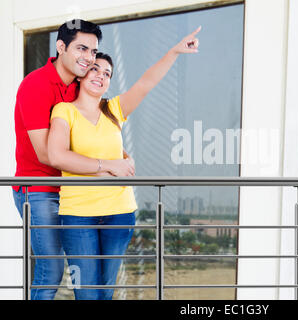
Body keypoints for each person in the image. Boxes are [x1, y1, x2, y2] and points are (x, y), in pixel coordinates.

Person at [47, 27, 201, 300]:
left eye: (107, 74)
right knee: (86, 293)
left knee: (106, 291)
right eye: (95, 69)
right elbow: (58, 156)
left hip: (119, 214)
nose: (101, 76)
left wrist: (174, 51)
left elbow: (145, 84)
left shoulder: (114, 110)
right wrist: (110, 165)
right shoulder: (64, 111)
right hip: (77, 216)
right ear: (82, 75)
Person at [13, 19, 134, 300]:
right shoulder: (36, 85)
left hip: (73, 193)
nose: (88, 57)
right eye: (82, 48)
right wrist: (106, 169)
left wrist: (122, 156)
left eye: (93, 51)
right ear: (60, 47)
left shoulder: (77, 87)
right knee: (51, 268)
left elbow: (93, 134)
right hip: (39, 189)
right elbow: (47, 154)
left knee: (91, 274)